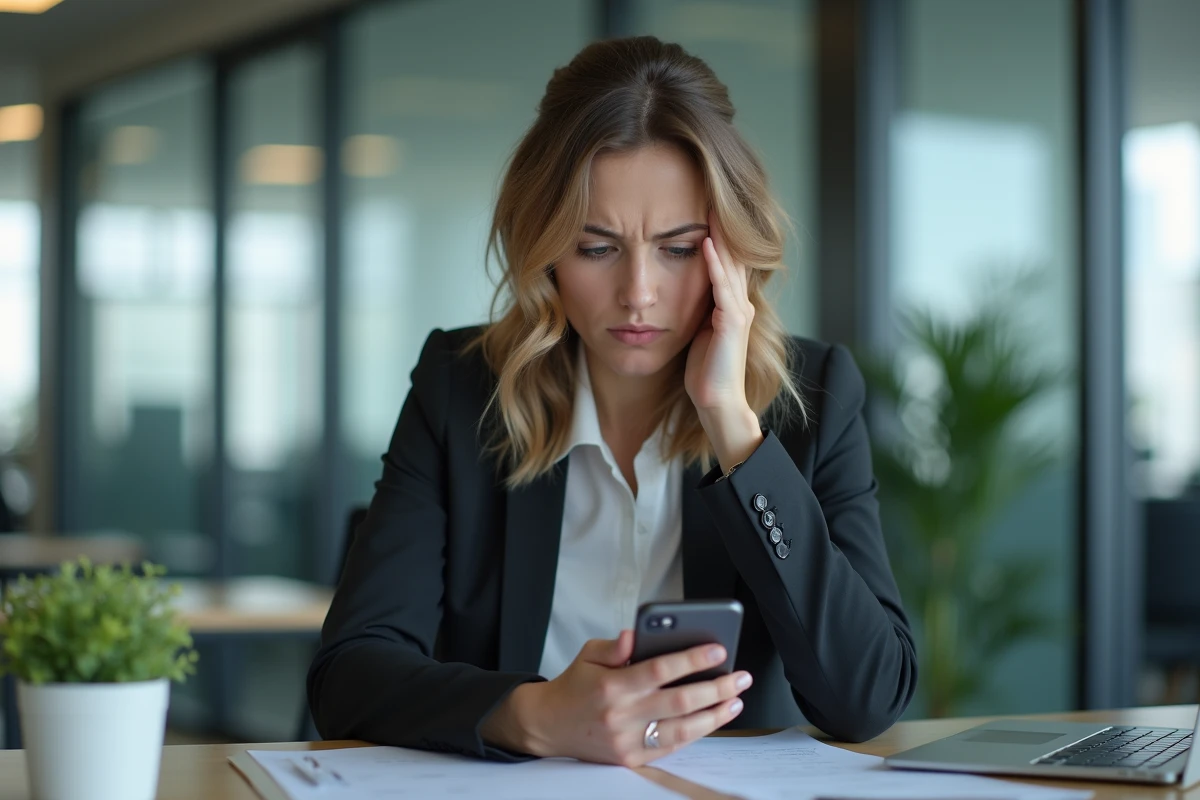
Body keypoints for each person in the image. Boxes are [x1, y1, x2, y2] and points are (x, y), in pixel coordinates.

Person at [308, 35, 916, 767]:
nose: (638, 293)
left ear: (733, 251)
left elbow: (868, 699)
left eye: (680, 248)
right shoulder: (459, 386)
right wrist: (531, 715)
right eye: (596, 247)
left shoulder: (810, 399)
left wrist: (733, 429)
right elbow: (349, 670)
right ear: (544, 248)